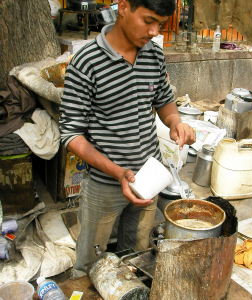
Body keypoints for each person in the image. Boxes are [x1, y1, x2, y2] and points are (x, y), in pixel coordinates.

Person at [59, 0, 196, 278]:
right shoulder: (87, 62)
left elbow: (164, 100)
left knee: (136, 254)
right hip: (105, 184)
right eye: (148, 21)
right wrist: (118, 172)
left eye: (160, 23)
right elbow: (71, 134)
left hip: (150, 178)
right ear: (123, 7)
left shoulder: (153, 55)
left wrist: (176, 123)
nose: (155, 31)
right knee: (90, 262)